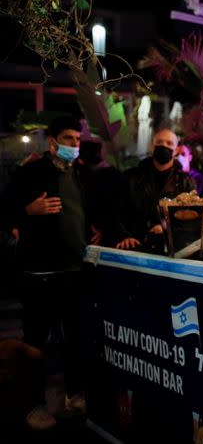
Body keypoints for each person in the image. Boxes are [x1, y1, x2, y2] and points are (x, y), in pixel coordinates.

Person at [2, 116, 96, 429]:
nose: (74, 144)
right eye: (67, 138)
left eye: (77, 139)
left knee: (75, 338)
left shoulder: (81, 175)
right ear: (52, 142)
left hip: (73, 270)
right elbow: (6, 212)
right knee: (35, 342)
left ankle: (72, 396)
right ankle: (35, 405)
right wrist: (29, 212)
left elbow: (84, 213)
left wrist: (94, 231)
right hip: (39, 272)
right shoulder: (30, 172)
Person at [117, 128, 195, 250]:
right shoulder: (131, 177)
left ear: (176, 150)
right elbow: (118, 210)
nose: (164, 146)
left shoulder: (185, 182)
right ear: (151, 146)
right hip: (134, 243)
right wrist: (125, 236)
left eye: (169, 143)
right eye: (159, 142)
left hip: (171, 248)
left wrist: (166, 228)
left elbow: (191, 217)